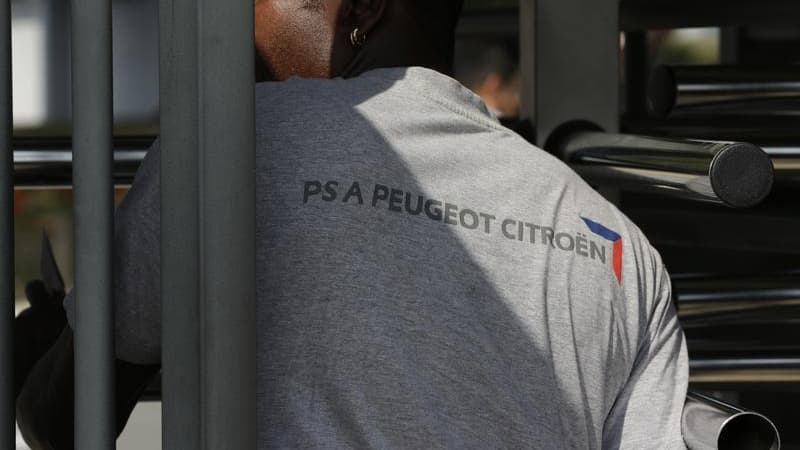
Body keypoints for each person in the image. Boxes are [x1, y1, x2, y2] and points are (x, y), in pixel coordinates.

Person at [16, 0, 689, 448]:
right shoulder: (616, 243)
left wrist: (36, 346)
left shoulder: (234, 144)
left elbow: (68, 419)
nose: (227, 31)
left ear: (363, 10)